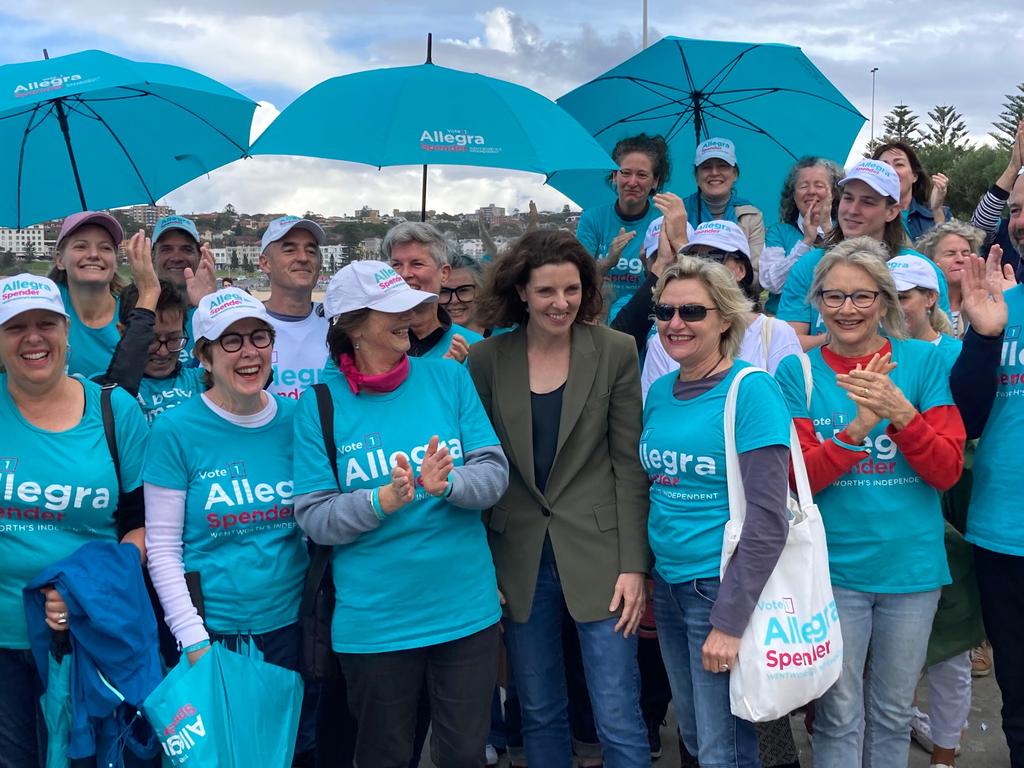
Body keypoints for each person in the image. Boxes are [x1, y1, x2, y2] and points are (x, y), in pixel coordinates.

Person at [292, 261, 509, 767]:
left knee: (463, 757)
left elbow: (494, 473)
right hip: (376, 624)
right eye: (390, 311)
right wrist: (381, 501)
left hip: (465, 613)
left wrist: (450, 483)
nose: (408, 318)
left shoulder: (449, 379)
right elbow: (314, 516)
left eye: (410, 307)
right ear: (350, 325)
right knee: (384, 757)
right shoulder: (319, 404)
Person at [774, 237, 965, 768]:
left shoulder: (923, 363)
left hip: (912, 570)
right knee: (837, 716)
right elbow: (799, 480)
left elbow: (946, 470)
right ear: (817, 304)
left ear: (884, 301)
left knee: (892, 712)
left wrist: (903, 416)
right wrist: (856, 431)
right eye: (833, 297)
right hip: (832, 573)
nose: (847, 310)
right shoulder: (801, 373)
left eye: (861, 297)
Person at [467, 229, 651, 767]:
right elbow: (478, 469)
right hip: (516, 556)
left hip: (602, 555)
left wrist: (634, 565)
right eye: (547, 291)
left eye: (572, 290)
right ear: (521, 291)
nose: (561, 303)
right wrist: (483, 570)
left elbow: (627, 464)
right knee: (540, 709)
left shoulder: (615, 351)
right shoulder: (485, 360)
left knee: (617, 710)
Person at [143, 288, 316, 765]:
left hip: (291, 630)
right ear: (204, 355)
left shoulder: (298, 419)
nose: (248, 352)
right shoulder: (176, 430)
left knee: (293, 752)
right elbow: (162, 549)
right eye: (231, 341)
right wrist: (193, 640)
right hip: (215, 635)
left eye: (259, 337)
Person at [640, 254, 791, 768]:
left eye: (692, 312)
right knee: (698, 735)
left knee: (724, 745)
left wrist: (729, 621)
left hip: (717, 588)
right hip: (670, 585)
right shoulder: (660, 392)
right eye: (665, 311)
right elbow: (655, 489)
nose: (675, 324)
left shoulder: (751, 391)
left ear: (725, 318)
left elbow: (769, 519)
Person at [0, 274, 148, 768]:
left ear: (67, 332)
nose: (33, 337)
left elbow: (144, 526)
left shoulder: (114, 411)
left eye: (45, 323)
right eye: (15, 327)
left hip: (90, 635)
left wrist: (86, 586)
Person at [949, 170, 1024, 768]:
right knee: (1018, 697)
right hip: (1005, 530)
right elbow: (968, 419)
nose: (1021, 219)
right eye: (1017, 208)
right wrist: (984, 337)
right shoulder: (998, 305)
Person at [777, 158, 951, 350]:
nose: (852, 210)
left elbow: (941, 344)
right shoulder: (809, 265)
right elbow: (787, 344)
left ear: (892, 212)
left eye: (867, 202)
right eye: (848, 198)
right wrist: (844, 336)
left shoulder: (921, 269)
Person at [641, 220, 801, 398]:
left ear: (741, 270)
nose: (703, 266)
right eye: (694, 257)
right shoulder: (664, 340)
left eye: (715, 258)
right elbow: (654, 415)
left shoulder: (776, 333)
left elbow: (792, 411)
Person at [575, 133, 670, 313]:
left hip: (647, 317)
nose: (632, 182)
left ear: (655, 181)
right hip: (597, 315)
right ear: (614, 176)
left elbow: (672, 285)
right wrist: (608, 261)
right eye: (625, 173)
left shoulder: (664, 221)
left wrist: (649, 269)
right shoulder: (592, 219)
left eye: (642, 175)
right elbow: (576, 278)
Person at [384, 221, 483, 361]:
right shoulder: (375, 342)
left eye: (417, 264)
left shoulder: (473, 347)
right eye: (396, 265)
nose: (405, 274)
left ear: (444, 274)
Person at [759, 156, 843, 314]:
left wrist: (828, 232)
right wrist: (806, 243)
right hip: (785, 320)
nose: (811, 192)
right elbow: (771, 283)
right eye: (803, 186)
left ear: (833, 192)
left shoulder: (847, 229)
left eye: (819, 185)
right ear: (794, 195)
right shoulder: (778, 232)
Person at [259, 216, 330, 399]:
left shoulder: (338, 323)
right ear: (265, 263)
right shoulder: (242, 323)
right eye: (290, 250)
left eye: (311, 251)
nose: (303, 258)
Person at [48, 211, 125, 377]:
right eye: (81, 246)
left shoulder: (132, 314)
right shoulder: (44, 309)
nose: (94, 255)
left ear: (115, 262)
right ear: (60, 260)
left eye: (105, 248)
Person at [681, 137, 766, 285]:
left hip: (737, 300)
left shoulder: (751, 216)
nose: (714, 173)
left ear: (735, 174)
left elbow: (757, 277)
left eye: (723, 166)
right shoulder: (680, 213)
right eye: (706, 167)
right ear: (696, 176)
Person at [151, 215, 216, 364]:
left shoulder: (219, 311)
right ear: (152, 256)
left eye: (186, 249)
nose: (176, 257)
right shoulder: (137, 312)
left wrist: (208, 307)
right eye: (166, 249)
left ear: (200, 255)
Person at [916, 221, 986, 340]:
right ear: (930, 261)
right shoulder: (918, 307)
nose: (960, 259)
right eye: (950, 254)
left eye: (965, 253)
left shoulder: (986, 303)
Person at [970, 121, 1023, 274]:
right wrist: (1013, 168)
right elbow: (978, 230)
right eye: (1015, 210)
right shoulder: (1005, 236)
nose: (1021, 221)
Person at [889, 253, 960, 367]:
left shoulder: (957, 354)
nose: (892, 307)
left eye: (901, 297)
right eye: (886, 298)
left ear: (930, 297)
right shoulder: (873, 353)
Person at [872, 141, 951, 241]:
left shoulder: (941, 214)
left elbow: (949, 252)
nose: (891, 171)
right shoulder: (865, 214)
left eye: (899, 164)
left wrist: (936, 210)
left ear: (914, 176)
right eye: (883, 166)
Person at [444, 252, 487, 335]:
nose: (454, 300)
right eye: (444, 292)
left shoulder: (507, 338)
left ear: (481, 291)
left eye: (463, 290)